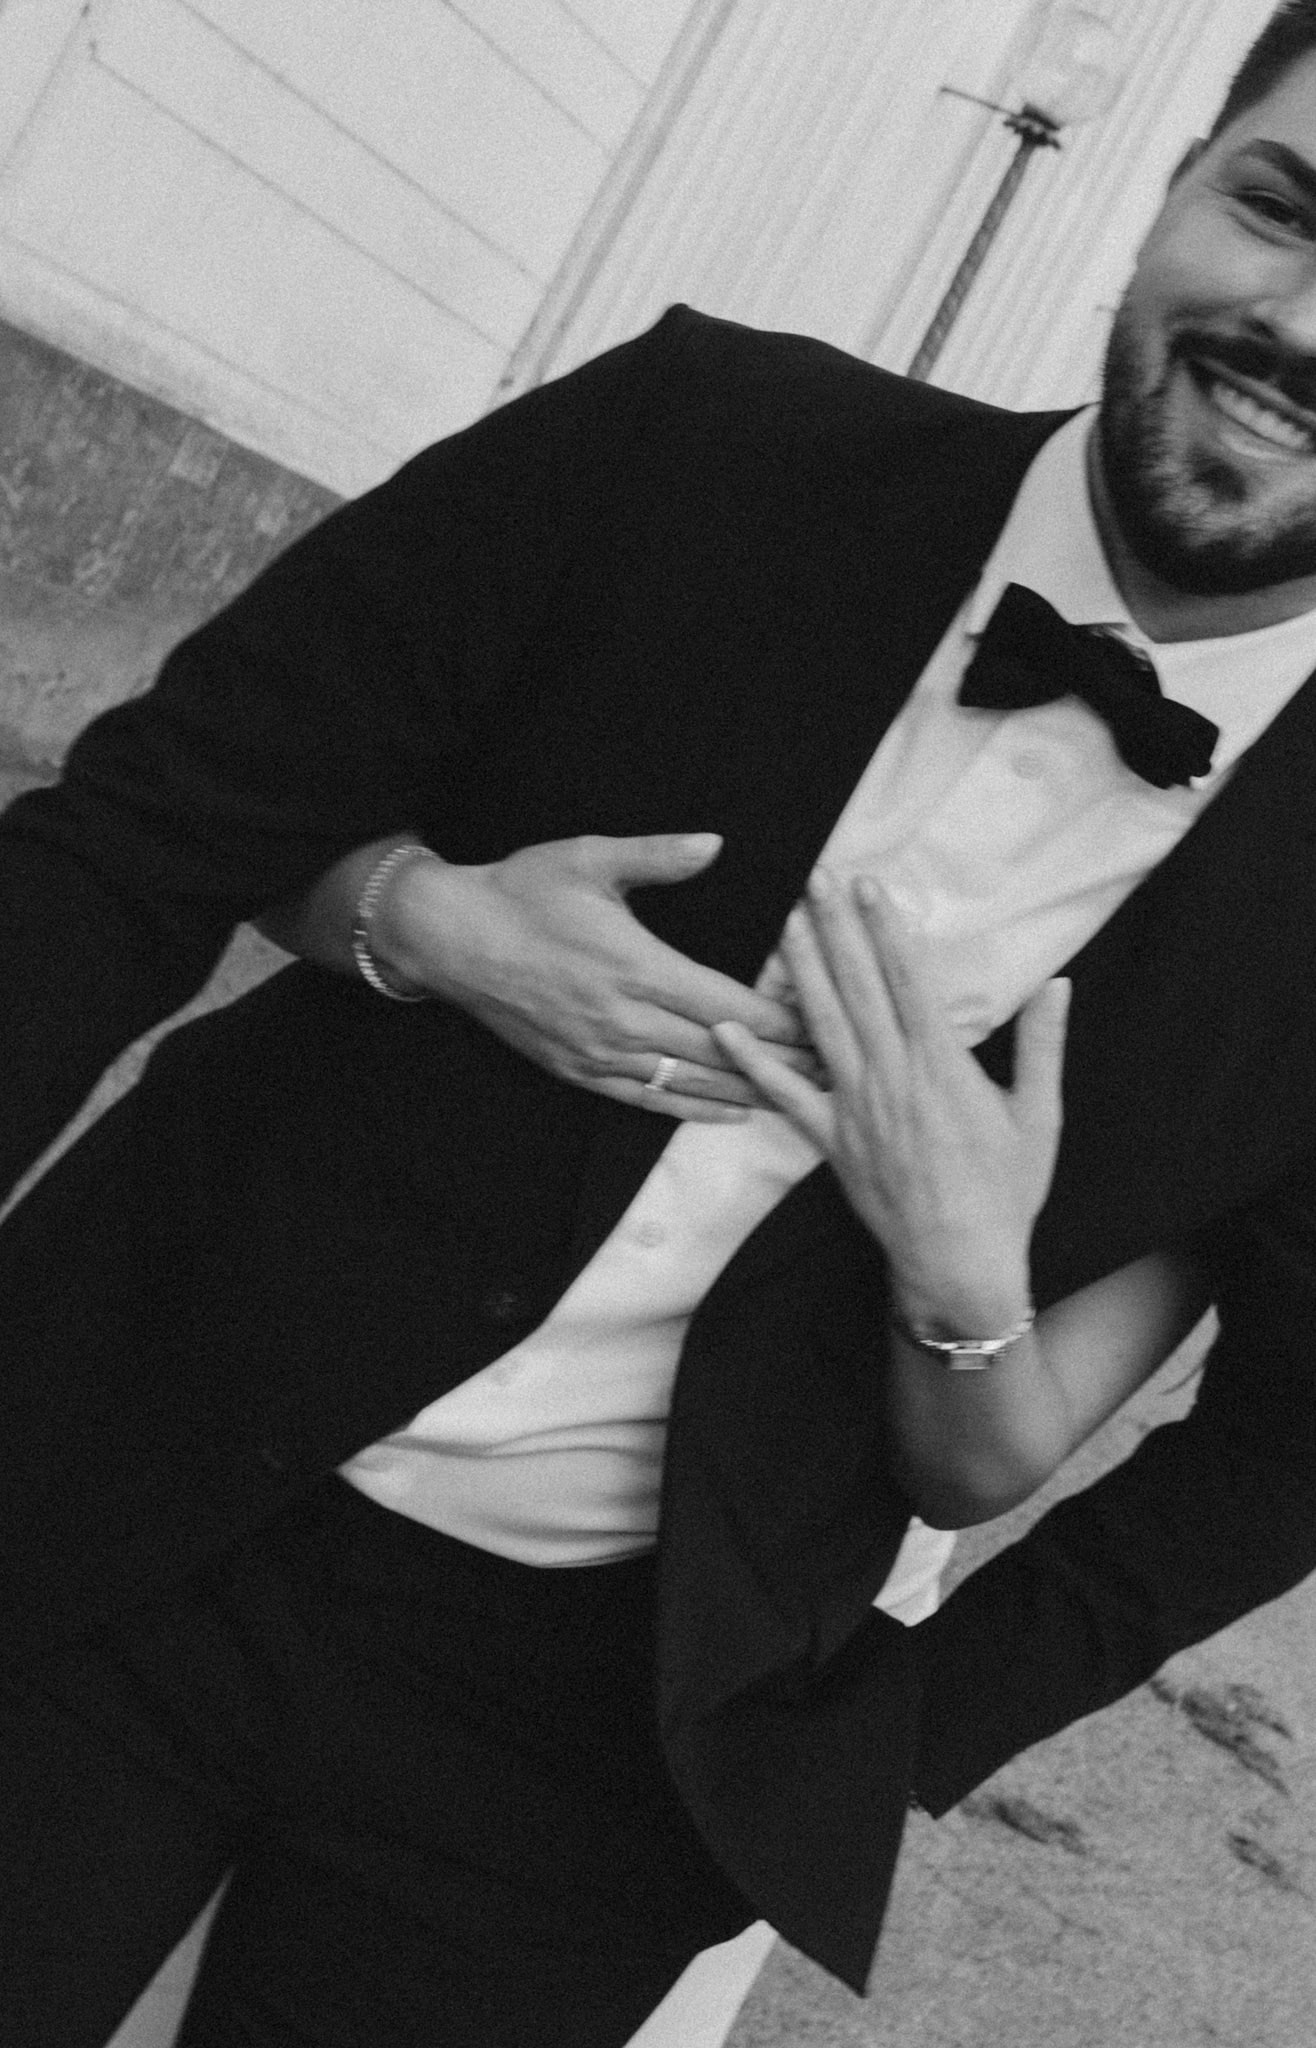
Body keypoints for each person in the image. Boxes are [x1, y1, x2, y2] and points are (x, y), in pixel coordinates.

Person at [6, 3, 1316, 2039]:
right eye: (1281, 208)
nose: (1294, 326)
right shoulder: (697, 438)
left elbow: (1280, 1455)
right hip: (98, 1474)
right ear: (1170, 187)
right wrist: (412, 918)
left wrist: (876, 1746)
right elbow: (139, 836)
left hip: (579, 1783)